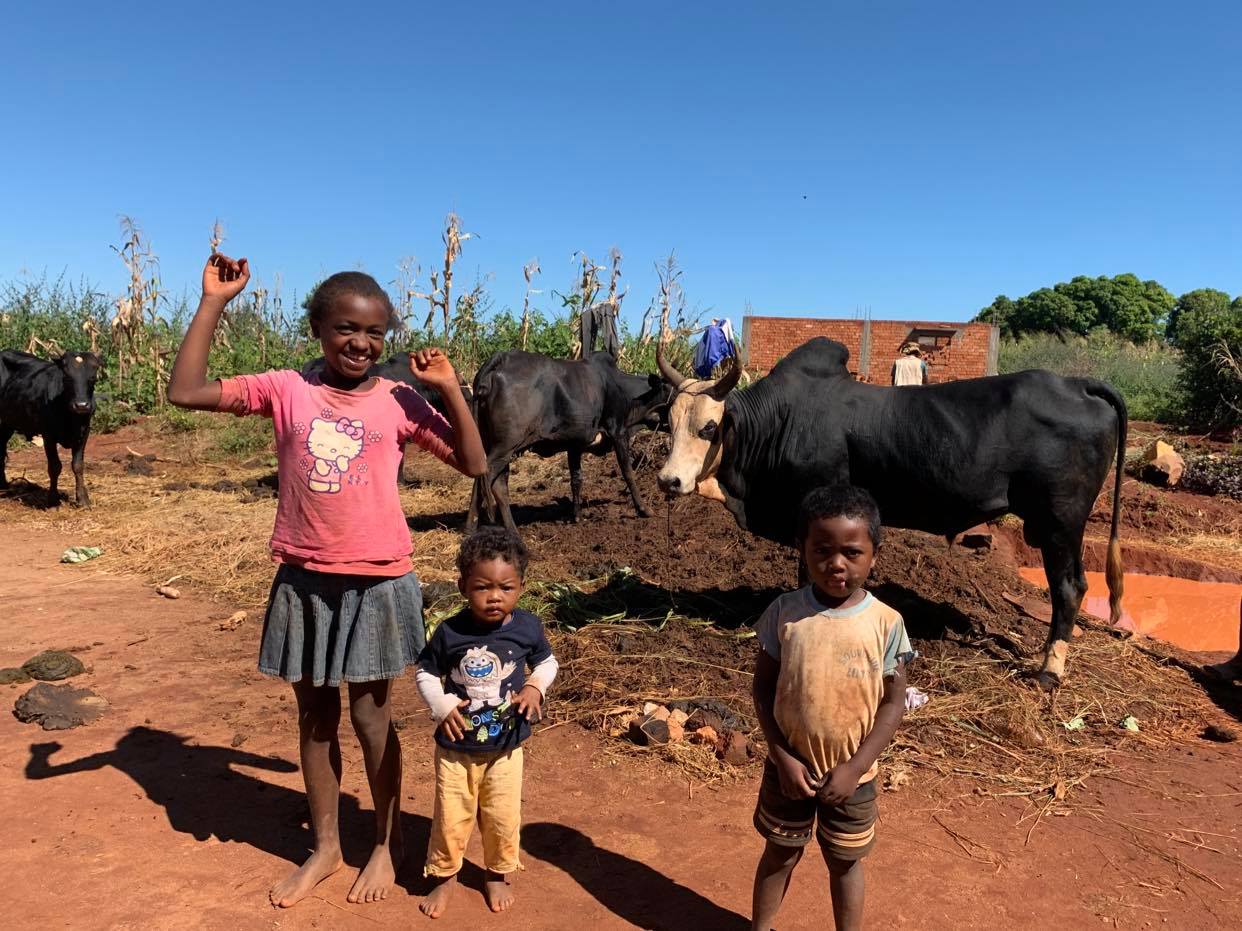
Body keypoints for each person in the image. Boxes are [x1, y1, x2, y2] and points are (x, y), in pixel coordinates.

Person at [167, 254, 486, 908]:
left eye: (374, 333)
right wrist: (212, 303)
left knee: (372, 719)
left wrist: (450, 387)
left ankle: (384, 844)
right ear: (317, 327)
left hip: (377, 583)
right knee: (314, 717)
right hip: (305, 580)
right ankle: (327, 846)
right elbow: (186, 391)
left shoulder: (399, 399)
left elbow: (475, 461)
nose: (361, 343)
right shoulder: (287, 389)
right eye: (346, 328)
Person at [750, 485, 911, 931]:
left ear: (874, 555)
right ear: (803, 549)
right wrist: (782, 758)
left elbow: (893, 704)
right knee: (780, 853)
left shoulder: (887, 624)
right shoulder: (785, 613)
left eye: (852, 552)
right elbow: (762, 690)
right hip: (789, 772)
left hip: (852, 778)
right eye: (822, 550)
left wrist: (856, 767)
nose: (836, 563)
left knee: (845, 863)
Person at [414, 527, 558, 918]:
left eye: (506, 588)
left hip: (507, 748)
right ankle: (445, 877)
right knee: (451, 815)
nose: (495, 596)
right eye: (482, 587)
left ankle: (497, 873)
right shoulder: (450, 632)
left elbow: (547, 663)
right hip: (455, 749)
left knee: (502, 814)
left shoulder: (527, 627)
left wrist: (535, 688)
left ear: (521, 587)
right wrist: (442, 707)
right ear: (462, 586)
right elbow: (425, 674)